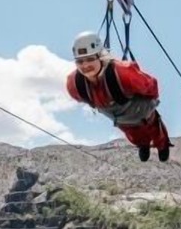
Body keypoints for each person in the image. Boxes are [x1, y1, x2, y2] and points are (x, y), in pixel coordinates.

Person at [64, 31, 171, 162]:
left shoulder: (123, 74)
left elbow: (151, 86)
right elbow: (81, 97)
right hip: (120, 118)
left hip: (140, 110)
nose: (85, 65)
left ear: (100, 56)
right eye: (80, 61)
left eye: (90, 59)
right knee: (133, 134)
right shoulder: (75, 84)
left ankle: (162, 145)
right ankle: (143, 145)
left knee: (154, 128)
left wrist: (150, 104)